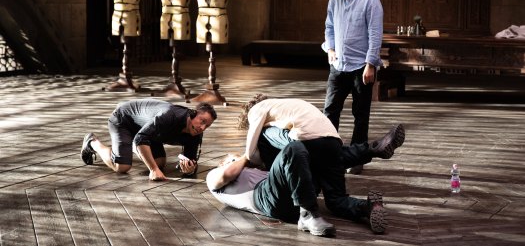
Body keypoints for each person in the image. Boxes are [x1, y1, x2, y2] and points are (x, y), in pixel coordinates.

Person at [207, 124, 405, 235]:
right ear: (224, 162)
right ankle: (308, 215)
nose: (239, 160)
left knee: (318, 154)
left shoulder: (258, 170)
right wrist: (245, 157)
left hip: (292, 197)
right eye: (231, 159)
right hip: (266, 199)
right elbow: (226, 175)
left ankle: (365, 204)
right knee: (294, 148)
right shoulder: (213, 177)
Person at [322, 0, 384, 175]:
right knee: (330, 112)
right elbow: (329, 27)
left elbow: (375, 34)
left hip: (361, 67)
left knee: (360, 114)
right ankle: (328, 155)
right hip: (338, 66)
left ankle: (357, 159)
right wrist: (330, 48)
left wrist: (371, 64)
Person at [80, 99, 217, 181]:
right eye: (202, 121)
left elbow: (190, 159)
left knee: (160, 163)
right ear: (193, 114)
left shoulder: (196, 133)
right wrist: (152, 170)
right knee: (122, 166)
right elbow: (141, 138)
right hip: (124, 119)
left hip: (150, 131)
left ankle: (133, 147)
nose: (202, 127)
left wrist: (189, 170)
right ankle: (92, 142)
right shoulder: (169, 115)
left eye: (207, 125)